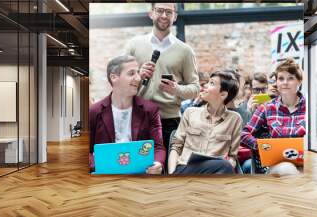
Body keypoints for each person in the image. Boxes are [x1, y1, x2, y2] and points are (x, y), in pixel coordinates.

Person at [125, 3, 200, 163]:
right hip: (137, 117)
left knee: (169, 170)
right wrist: (137, 75)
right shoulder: (133, 45)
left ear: (175, 16)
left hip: (170, 121)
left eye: (168, 12)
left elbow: (195, 88)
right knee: (138, 168)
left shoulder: (185, 51)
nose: (164, 15)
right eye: (160, 10)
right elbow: (119, 80)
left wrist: (176, 89)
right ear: (151, 13)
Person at [89, 55, 166, 174]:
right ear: (114, 77)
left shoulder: (151, 110)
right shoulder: (94, 112)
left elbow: (158, 147)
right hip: (105, 175)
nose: (138, 78)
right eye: (131, 73)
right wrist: (98, 165)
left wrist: (158, 163)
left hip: (140, 174)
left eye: (138, 73)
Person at [168, 71, 242, 174]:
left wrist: (230, 162)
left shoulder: (235, 119)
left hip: (216, 173)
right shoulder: (190, 112)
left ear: (223, 94)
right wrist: (172, 175)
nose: (205, 86)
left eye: (211, 83)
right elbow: (176, 147)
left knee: (225, 166)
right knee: (224, 166)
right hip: (185, 169)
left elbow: (232, 157)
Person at [240, 58, 306, 175]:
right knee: (287, 169)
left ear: (299, 81)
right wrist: (263, 147)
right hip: (278, 165)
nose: (285, 82)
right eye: (281, 78)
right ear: (276, 82)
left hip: (306, 161)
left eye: (290, 78)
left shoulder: (309, 107)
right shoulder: (266, 108)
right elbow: (244, 134)